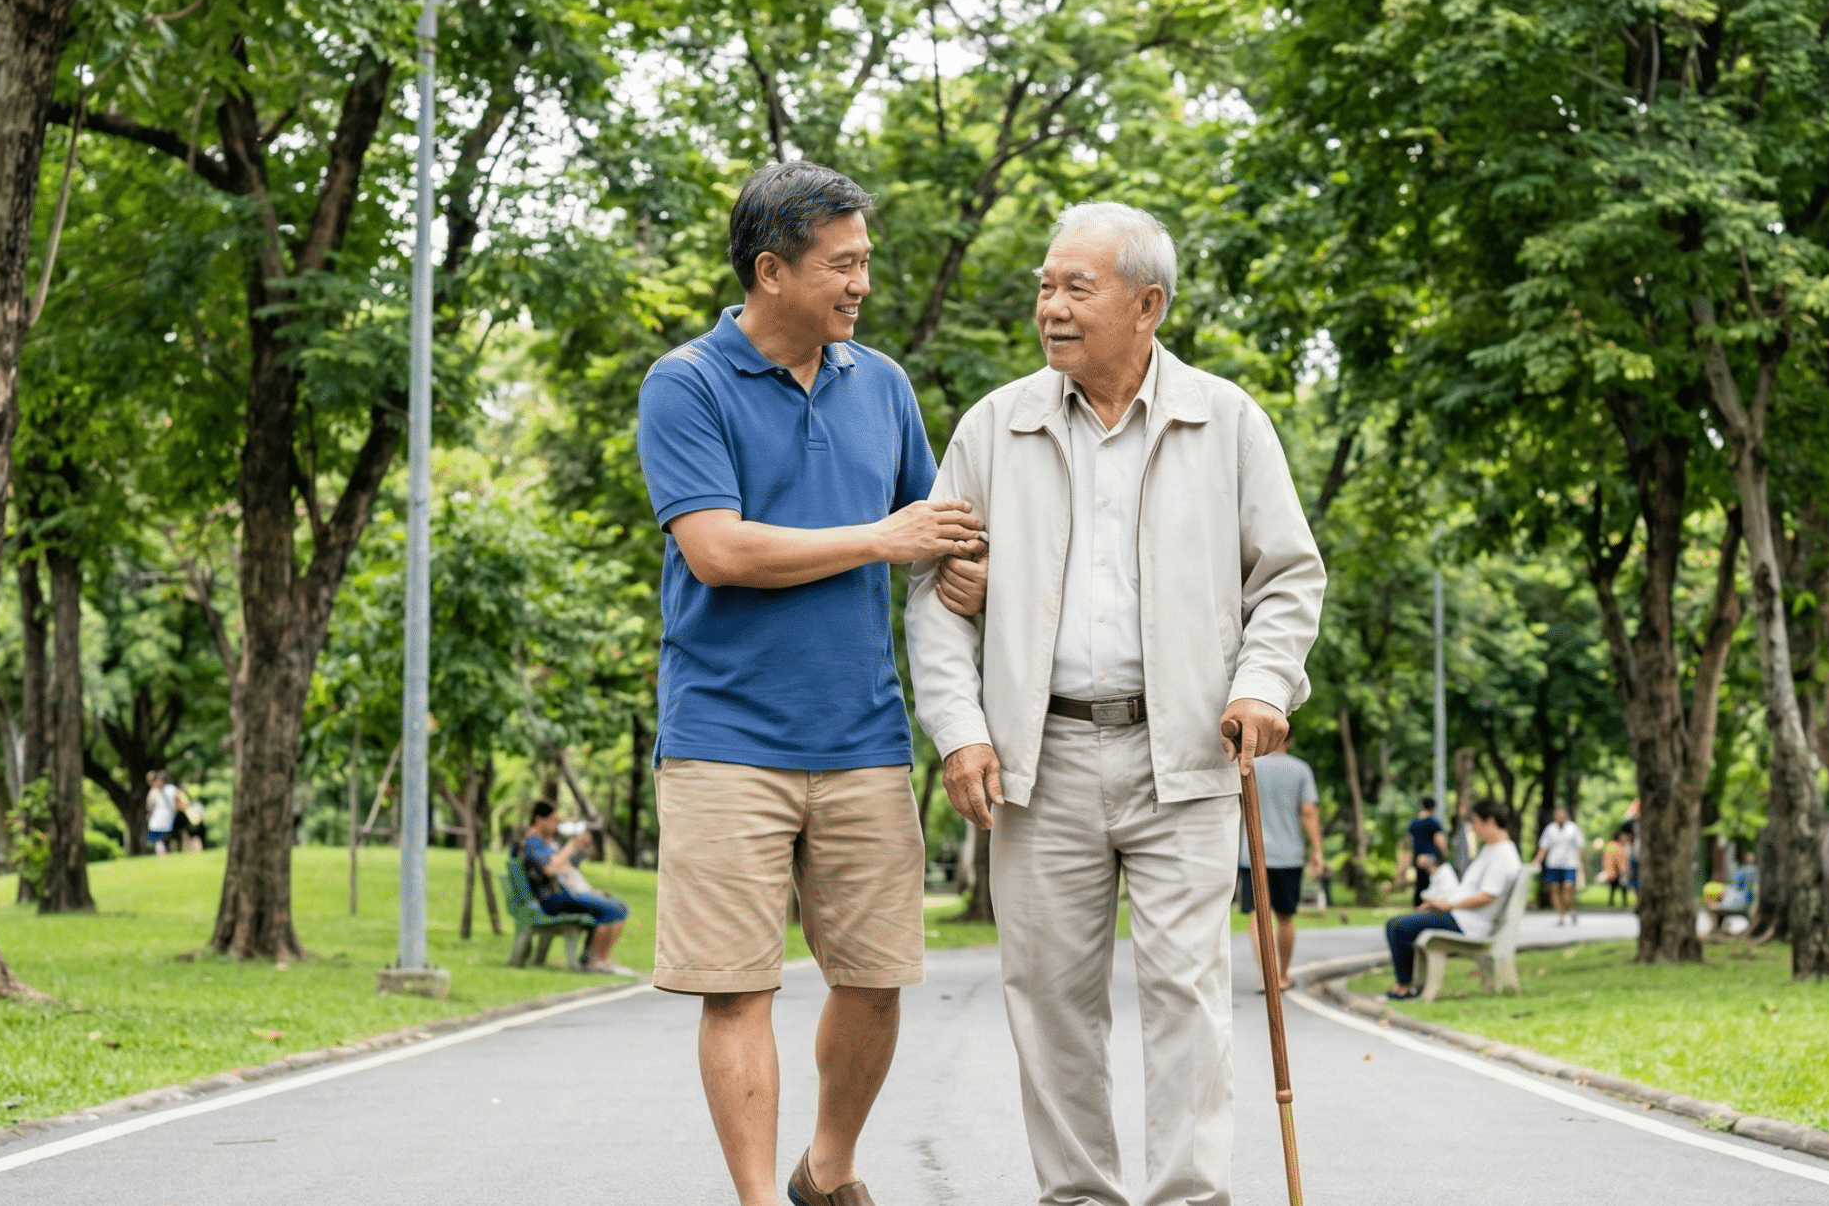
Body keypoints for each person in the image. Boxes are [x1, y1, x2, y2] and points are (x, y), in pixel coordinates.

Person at [908, 200, 1327, 1206]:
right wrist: (960, 732)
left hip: (1185, 750)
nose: (1050, 307)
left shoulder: (1226, 420)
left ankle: (1187, 1199)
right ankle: (1078, 1199)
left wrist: (1261, 684)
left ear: (1147, 305)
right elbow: (934, 595)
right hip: (1038, 757)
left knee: (1188, 994)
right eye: (1045, 287)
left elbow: (1287, 577)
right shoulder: (993, 427)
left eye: (1075, 289)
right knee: (1050, 1003)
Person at [636, 160, 981, 1206]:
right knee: (737, 987)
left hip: (863, 738)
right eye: (843, 264)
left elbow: (933, 533)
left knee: (876, 978)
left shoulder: (881, 384)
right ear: (771, 270)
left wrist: (964, 565)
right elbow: (717, 551)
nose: (862, 283)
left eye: (866, 261)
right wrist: (882, 538)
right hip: (723, 739)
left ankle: (827, 1168)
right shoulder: (686, 383)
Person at [1378, 799, 1522, 1000]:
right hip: (1460, 916)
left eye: (1476, 822)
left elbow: (1487, 895)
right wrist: (1438, 904)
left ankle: (1405, 986)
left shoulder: (1503, 854)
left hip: (1468, 924)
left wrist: (1449, 905)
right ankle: (1411, 984)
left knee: (1398, 927)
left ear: (1490, 821)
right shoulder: (1492, 849)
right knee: (1401, 923)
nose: (1474, 829)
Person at [1239, 751, 1327, 988]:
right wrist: (1318, 851)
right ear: (1289, 739)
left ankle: (1266, 978)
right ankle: (1283, 976)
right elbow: (1308, 812)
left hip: (1252, 853)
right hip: (1289, 855)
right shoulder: (1300, 769)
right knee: (1285, 918)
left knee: (1258, 915)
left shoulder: (1247, 765)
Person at [519, 802, 633, 975]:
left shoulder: (545, 842)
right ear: (539, 819)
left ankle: (603, 959)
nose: (556, 824)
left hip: (565, 894)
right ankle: (594, 962)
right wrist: (571, 846)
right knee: (612, 910)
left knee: (621, 907)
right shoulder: (533, 842)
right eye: (553, 819)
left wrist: (580, 849)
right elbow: (549, 870)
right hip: (553, 899)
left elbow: (565, 867)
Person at [1536, 805, 1585, 926]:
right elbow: (1544, 847)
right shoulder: (1550, 829)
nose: (1560, 817)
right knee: (1555, 889)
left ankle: (1571, 909)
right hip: (1554, 864)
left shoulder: (1573, 828)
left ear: (1566, 815)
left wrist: (1580, 862)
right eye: (1558, 814)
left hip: (1570, 863)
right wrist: (1536, 861)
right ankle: (1560, 916)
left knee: (1568, 887)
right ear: (1554, 816)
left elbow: (1579, 846)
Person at [1408, 798, 1449, 908]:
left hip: (1417, 857)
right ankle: (1426, 907)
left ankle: (1418, 906)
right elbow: (1439, 839)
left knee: (1420, 883)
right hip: (1430, 858)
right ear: (1433, 808)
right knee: (1430, 884)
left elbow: (1411, 841)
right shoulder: (1432, 822)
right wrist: (1444, 852)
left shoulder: (1414, 822)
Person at [144, 771, 180, 856]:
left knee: (158, 841)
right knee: (164, 840)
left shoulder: (154, 791)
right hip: (169, 819)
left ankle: (161, 857)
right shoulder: (172, 788)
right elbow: (179, 799)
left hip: (157, 820)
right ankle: (164, 856)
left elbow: (149, 806)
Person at [1599, 822, 1631, 908]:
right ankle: (1623, 902)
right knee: (1622, 887)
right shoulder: (1618, 846)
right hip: (1618, 870)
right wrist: (1623, 869)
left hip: (1612, 870)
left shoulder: (1610, 845)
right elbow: (1619, 860)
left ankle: (1612, 902)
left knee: (1614, 887)